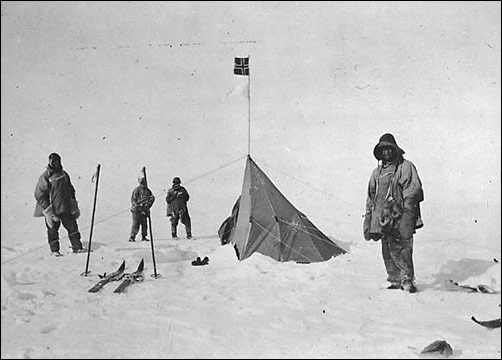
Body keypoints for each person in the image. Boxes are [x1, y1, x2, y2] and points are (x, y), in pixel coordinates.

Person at [363, 133, 424, 293]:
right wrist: (368, 220)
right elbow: (371, 197)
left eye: (389, 149)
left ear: (395, 150)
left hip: (400, 215)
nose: (387, 153)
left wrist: (408, 215)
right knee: (387, 249)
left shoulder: (405, 167)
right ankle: (395, 279)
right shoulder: (376, 173)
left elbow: (412, 190)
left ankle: (407, 279)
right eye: (383, 150)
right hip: (383, 219)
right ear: (380, 153)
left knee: (403, 248)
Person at [34, 153, 85, 256]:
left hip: (66, 208)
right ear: (50, 163)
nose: (56, 164)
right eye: (54, 162)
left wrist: (73, 204)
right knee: (52, 230)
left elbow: (71, 189)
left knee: (73, 228)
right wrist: (48, 209)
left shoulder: (64, 174)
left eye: (58, 161)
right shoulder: (46, 176)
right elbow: (39, 194)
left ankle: (77, 247)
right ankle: (55, 251)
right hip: (53, 210)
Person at [129, 175, 155, 242]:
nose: (143, 185)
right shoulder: (136, 190)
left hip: (144, 210)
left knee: (144, 224)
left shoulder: (148, 191)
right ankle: (132, 236)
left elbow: (152, 198)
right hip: (136, 211)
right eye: (142, 183)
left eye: (144, 183)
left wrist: (148, 205)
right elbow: (133, 200)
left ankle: (144, 236)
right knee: (136, 224)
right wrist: (139, 207)